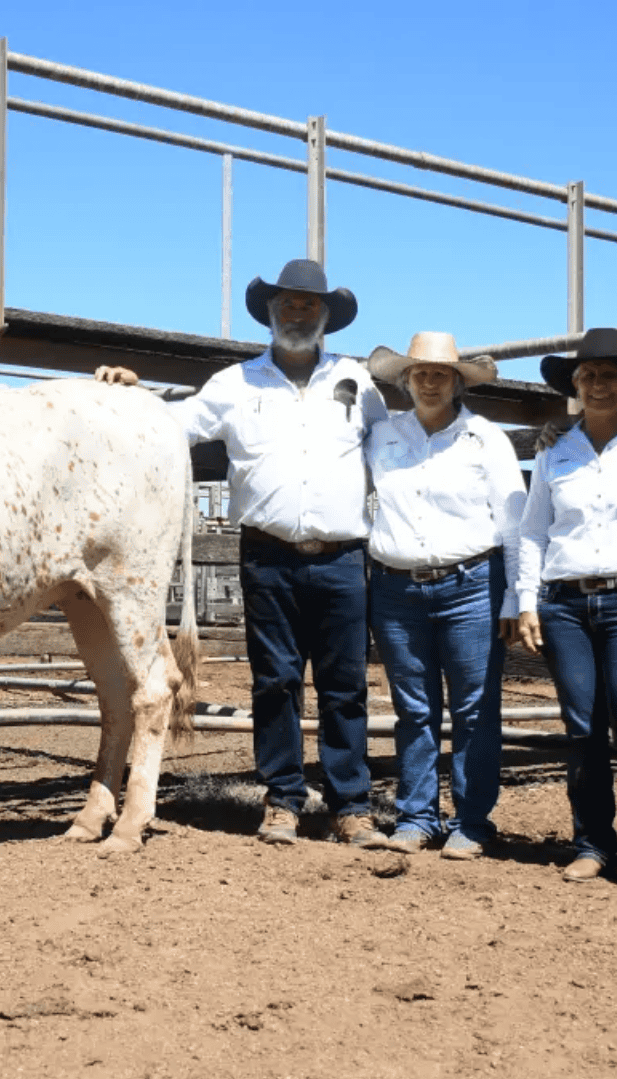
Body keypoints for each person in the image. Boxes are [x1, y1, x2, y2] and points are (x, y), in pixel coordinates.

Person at [99, 259, 390, 847]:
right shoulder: (234, 384)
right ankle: (282, 799)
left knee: (345, 684)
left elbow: (390, 451)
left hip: (343, 557)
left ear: (327, 316)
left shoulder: (360, 384)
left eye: (309, 304)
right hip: (269, 555)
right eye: (288, 303)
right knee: (275, 680)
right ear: (271, 312)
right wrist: (131, 396)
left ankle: (350, 806)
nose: (297, 312)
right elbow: (174, 423)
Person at [514, 328, 617, 890]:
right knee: (582, 730)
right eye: (588, 376)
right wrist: (527, 601)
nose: (599, 384)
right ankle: (592, 843)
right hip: (565, 603)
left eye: (610, 375)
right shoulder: (556, 452)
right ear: (574, 386)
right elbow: (533, 530)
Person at [362, 332, 524, 857]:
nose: (429, 383)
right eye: (420, 374)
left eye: (440, 375)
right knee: (413, 706)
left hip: (471, 584)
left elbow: (513, 520)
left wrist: (516, 596)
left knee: (475, 707)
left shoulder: (485, 439)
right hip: (395, 587)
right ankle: (417, 816)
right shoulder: (381, 436)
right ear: (406, 381)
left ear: (457, 383)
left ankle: (472, 820)